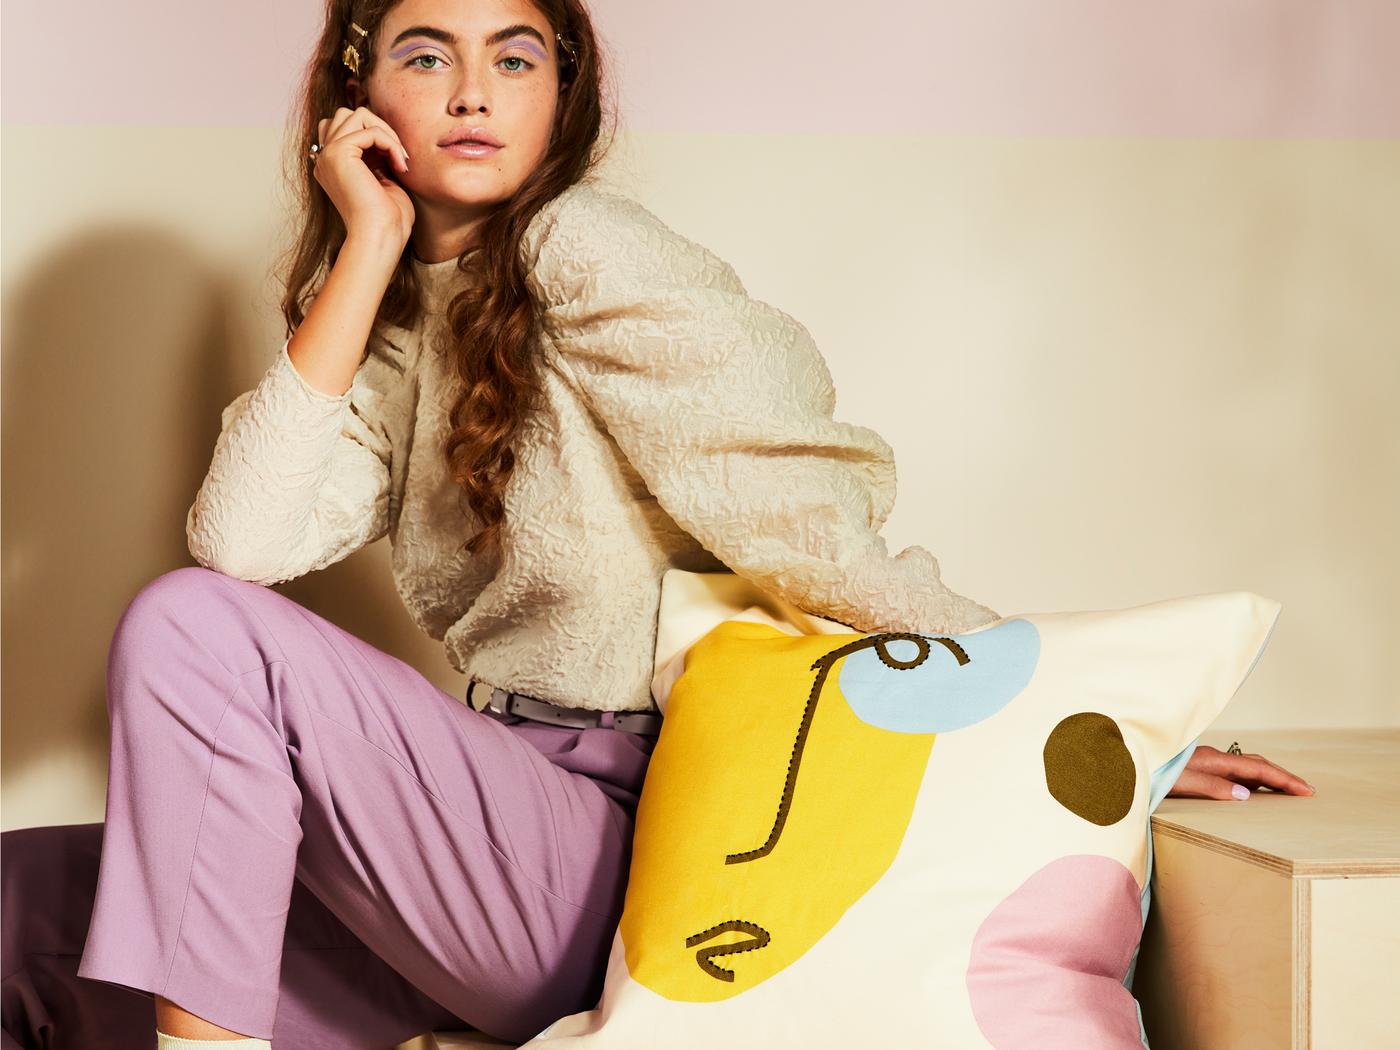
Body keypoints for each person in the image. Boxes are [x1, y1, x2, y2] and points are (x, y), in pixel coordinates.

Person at [0, 0, 1316, 1046]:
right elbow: (242, 537)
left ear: (559, 88)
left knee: (187, 628)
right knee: (20, 906)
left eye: (515, 57)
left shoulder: (582, 247)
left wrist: (1061, 703)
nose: (472, 90)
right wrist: (365, 250)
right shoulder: (390, 319)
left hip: (623, 848)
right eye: (426, 52)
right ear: (359, 91)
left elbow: (803, 524)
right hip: (479, 846)